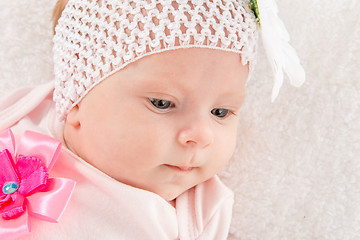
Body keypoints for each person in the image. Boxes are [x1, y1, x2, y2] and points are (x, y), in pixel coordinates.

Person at [0, 0, 304, 239]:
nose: (200, 135)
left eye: (220, 112)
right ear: (77, 99)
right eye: (163, 103)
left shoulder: (198, 213)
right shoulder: (26, 113)